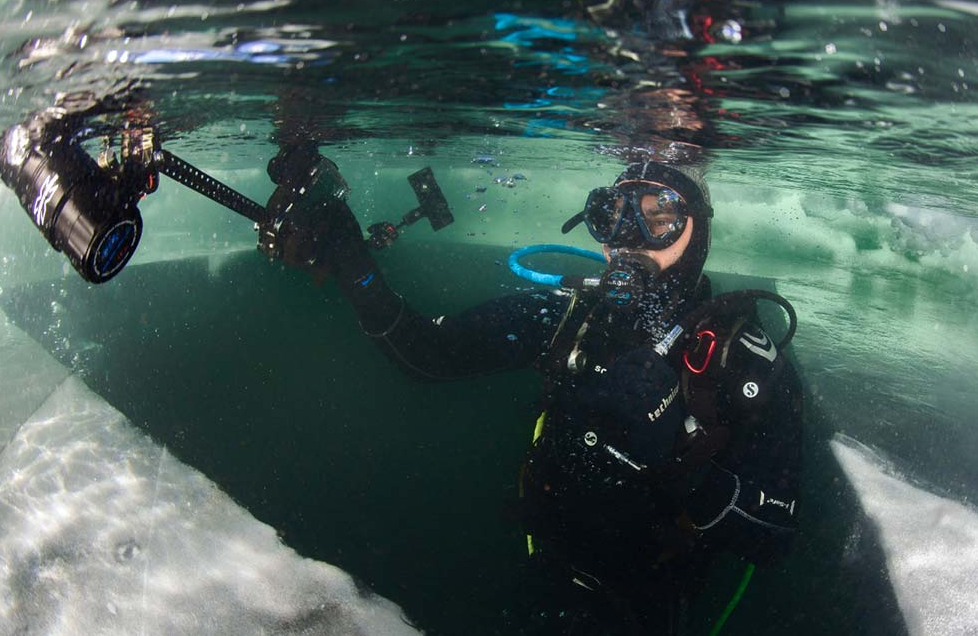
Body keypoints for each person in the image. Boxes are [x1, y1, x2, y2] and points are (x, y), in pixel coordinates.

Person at [264, 149, 804, 635]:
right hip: (543, 571)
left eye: (660, 217)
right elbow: (427, 354)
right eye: (613, 215)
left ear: (697, 231)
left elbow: (770, 536)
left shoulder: (741, 361)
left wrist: (674, 459)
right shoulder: (571, 318)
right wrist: (352, 260)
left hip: (645, 604)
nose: (630, 238)